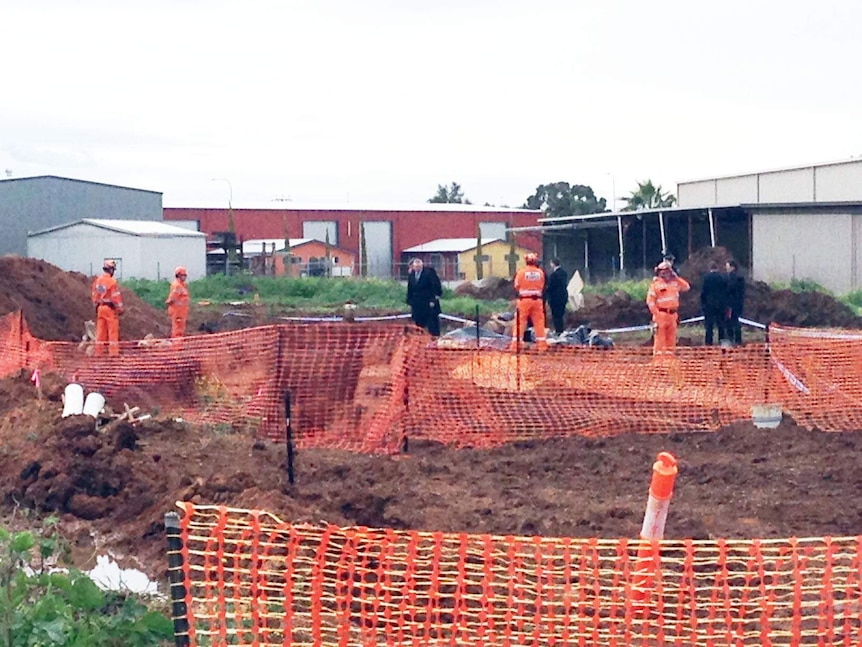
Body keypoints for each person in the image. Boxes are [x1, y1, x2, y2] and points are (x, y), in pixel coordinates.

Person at [646, 260, 690, 357]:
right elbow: (650, 302)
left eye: (668, 270)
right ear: (659, 272)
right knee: (660, 341)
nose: (666, 273)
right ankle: (658, 363)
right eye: (663, 271)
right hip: (661, 315)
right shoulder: (655, 285)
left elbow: (686, 287)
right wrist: (657, 315)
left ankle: (670, 362)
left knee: (671, 340)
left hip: (673, 315)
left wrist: (677, 278)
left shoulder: (674, 283)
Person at [510, 252, 548, 351]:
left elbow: (516, 285)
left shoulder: (521, 272)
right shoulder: (540, 272)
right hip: (537, 301)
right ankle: (542, 346)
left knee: (520, 322)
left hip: (524, 300)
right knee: (539, 322)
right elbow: (542, 285)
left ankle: (516, 345)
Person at [90, 259, 124, 356]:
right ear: (111, 270)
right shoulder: (112, 282)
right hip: (110, 309)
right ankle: (113, 354)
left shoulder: (98, 280)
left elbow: (94, 294)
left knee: (100, 332)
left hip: (100, 308)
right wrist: (120, 309)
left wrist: (96, 305)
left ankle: (98, 353)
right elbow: (116, 297)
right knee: (112, 331)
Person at [406, 258, 442, 336]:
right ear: (413, 266)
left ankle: (434, 339)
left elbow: (436, 287)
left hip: (429, 304)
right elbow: (410, 289)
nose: (417, 268)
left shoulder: (429, 273)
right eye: (415, 267)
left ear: (422, 266)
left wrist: (434, 300)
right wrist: (409, 301)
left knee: (432, 325)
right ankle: (420, 340)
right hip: (417, 305)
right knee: (419, 325)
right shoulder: (412, 275)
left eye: (419, 266)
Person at [700, 261, 728, 345]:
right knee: (721, 325)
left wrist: (703, 303)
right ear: (717, 268)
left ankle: (709, 343)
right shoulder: (723, 277)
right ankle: (721, 342)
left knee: (709, 325)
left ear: (710, 268)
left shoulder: (706, 277)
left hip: (709, 304)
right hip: (721, 305)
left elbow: (704, 291)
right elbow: (725, 291)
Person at [544, 258, 569, 335]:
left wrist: (546, 291)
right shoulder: (564, 273)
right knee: (561, 314)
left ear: (553, 264)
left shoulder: (553, 275)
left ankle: (558, 330)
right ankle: (561, 329)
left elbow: (551, 287)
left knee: (555, 315)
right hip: (563, 296)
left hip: (555, 298)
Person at [166, 266, 191, 338]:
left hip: (182, 312)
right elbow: (172, 298)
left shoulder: (183, 285)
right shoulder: (177, 285)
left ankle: (179, 345)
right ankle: (176, 346)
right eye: (183, 275)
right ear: (178, 275)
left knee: (181, 329)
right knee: (177, 330)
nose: (185, 277)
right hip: (177, 312)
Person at [725, 259, 746, 345]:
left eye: (727, 266)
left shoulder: (733, 278)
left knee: (732, 321)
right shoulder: (740, 277)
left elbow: (730, 289)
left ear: (732, 267)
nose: (726, 268)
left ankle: (734, 339)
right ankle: (736, 339)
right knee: (735, 320)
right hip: (739, 302)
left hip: (732, 303)